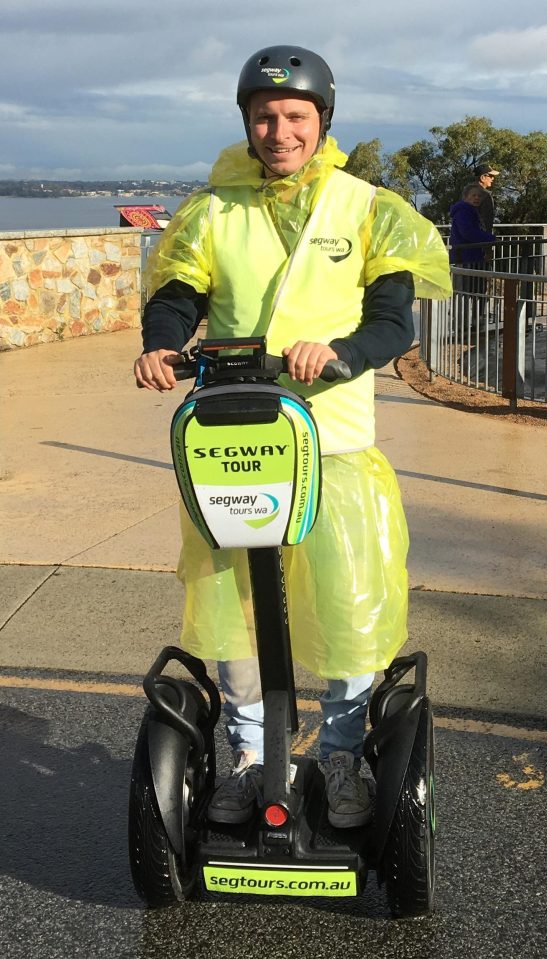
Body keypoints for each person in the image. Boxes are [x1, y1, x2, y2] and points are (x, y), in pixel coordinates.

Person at [134, 45, 451, 830]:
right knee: (231, 611)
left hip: (333, 441)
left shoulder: (367, 207)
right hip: (233, 437)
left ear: (322, 121)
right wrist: (159, 341)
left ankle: (340, 754)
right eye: (264, 116)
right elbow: (177, 292)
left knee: (347, 610)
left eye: (295, 116)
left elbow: (390, 318)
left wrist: (342, 352)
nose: (279, 130)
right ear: (246, 120)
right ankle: (246, 753)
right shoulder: (212, 210)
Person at [469, 163, 500, 232]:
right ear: (482, 177)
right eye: (491, 176)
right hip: (479, 239)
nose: (493, 178)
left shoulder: (466, 194)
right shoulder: (485, 195)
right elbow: (486, 221)